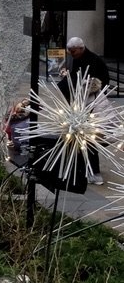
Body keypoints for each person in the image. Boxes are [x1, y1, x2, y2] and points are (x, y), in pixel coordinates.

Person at [58, 36, 110, 184]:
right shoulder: (79, 58)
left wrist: (68, 82)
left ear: (81, 48)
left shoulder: (92, 60)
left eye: (73, 51)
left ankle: (93, 172)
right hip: (82, 103)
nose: (71, 54)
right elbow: (76, 78)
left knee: (89, 138)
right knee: (79, 138)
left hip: (91, 104)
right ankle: (83, 168)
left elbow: (91, 82)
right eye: (70, 52)